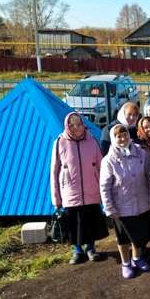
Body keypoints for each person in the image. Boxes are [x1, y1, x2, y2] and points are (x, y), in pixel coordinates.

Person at [100, 124, 150, 279]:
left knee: (138, 235)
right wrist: (109, 208)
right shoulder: (108, 160)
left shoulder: (141, 153)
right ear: (113, 138)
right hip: (121, 207)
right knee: (123, 237)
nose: (123, 138)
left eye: (124, 135)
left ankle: (137, 258)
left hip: (141, 203)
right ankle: (125, 263)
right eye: (118, 136)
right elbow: (104, 186)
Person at [50, 112, 108, 264]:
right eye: (72, 125)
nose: (76, 128)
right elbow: (54, 171)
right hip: (70, 191)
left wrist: (104, 190)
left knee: (90, 221)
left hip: (91, 189)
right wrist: (56, 197)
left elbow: (102, 166)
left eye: (79, 124)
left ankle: (90, 248)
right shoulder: (60, 142)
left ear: (84, 125)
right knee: (73, 223)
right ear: (67, 126)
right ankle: (77, 251)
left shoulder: (92, 141)